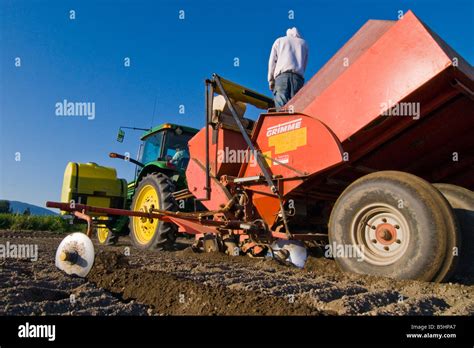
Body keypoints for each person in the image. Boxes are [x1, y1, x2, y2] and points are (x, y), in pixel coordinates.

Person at [268, 27, 308, 109]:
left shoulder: (279, 41)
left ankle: (283, 120)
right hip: (298, 79)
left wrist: (271, 80)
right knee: (295, 107)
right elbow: (304, 64)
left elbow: (272, 62)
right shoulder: (304, 44)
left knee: (281, 108)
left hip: (282, 77)